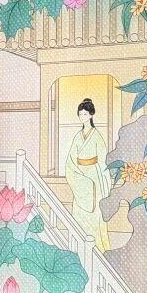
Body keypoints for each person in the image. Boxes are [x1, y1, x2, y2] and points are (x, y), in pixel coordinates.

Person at [64, 99, 111, 251]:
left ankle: (98, 249)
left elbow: (103, 161)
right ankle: (78, 249)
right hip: (80, 178)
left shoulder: (97, 136)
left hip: (95, 177)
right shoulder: (78, 136)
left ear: (91, 115)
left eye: (85, 114)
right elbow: (71, 160)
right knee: (79, 214)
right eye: (80, 114)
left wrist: (105, 183)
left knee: (95, 215)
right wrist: (78, 176)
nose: (82, 117)